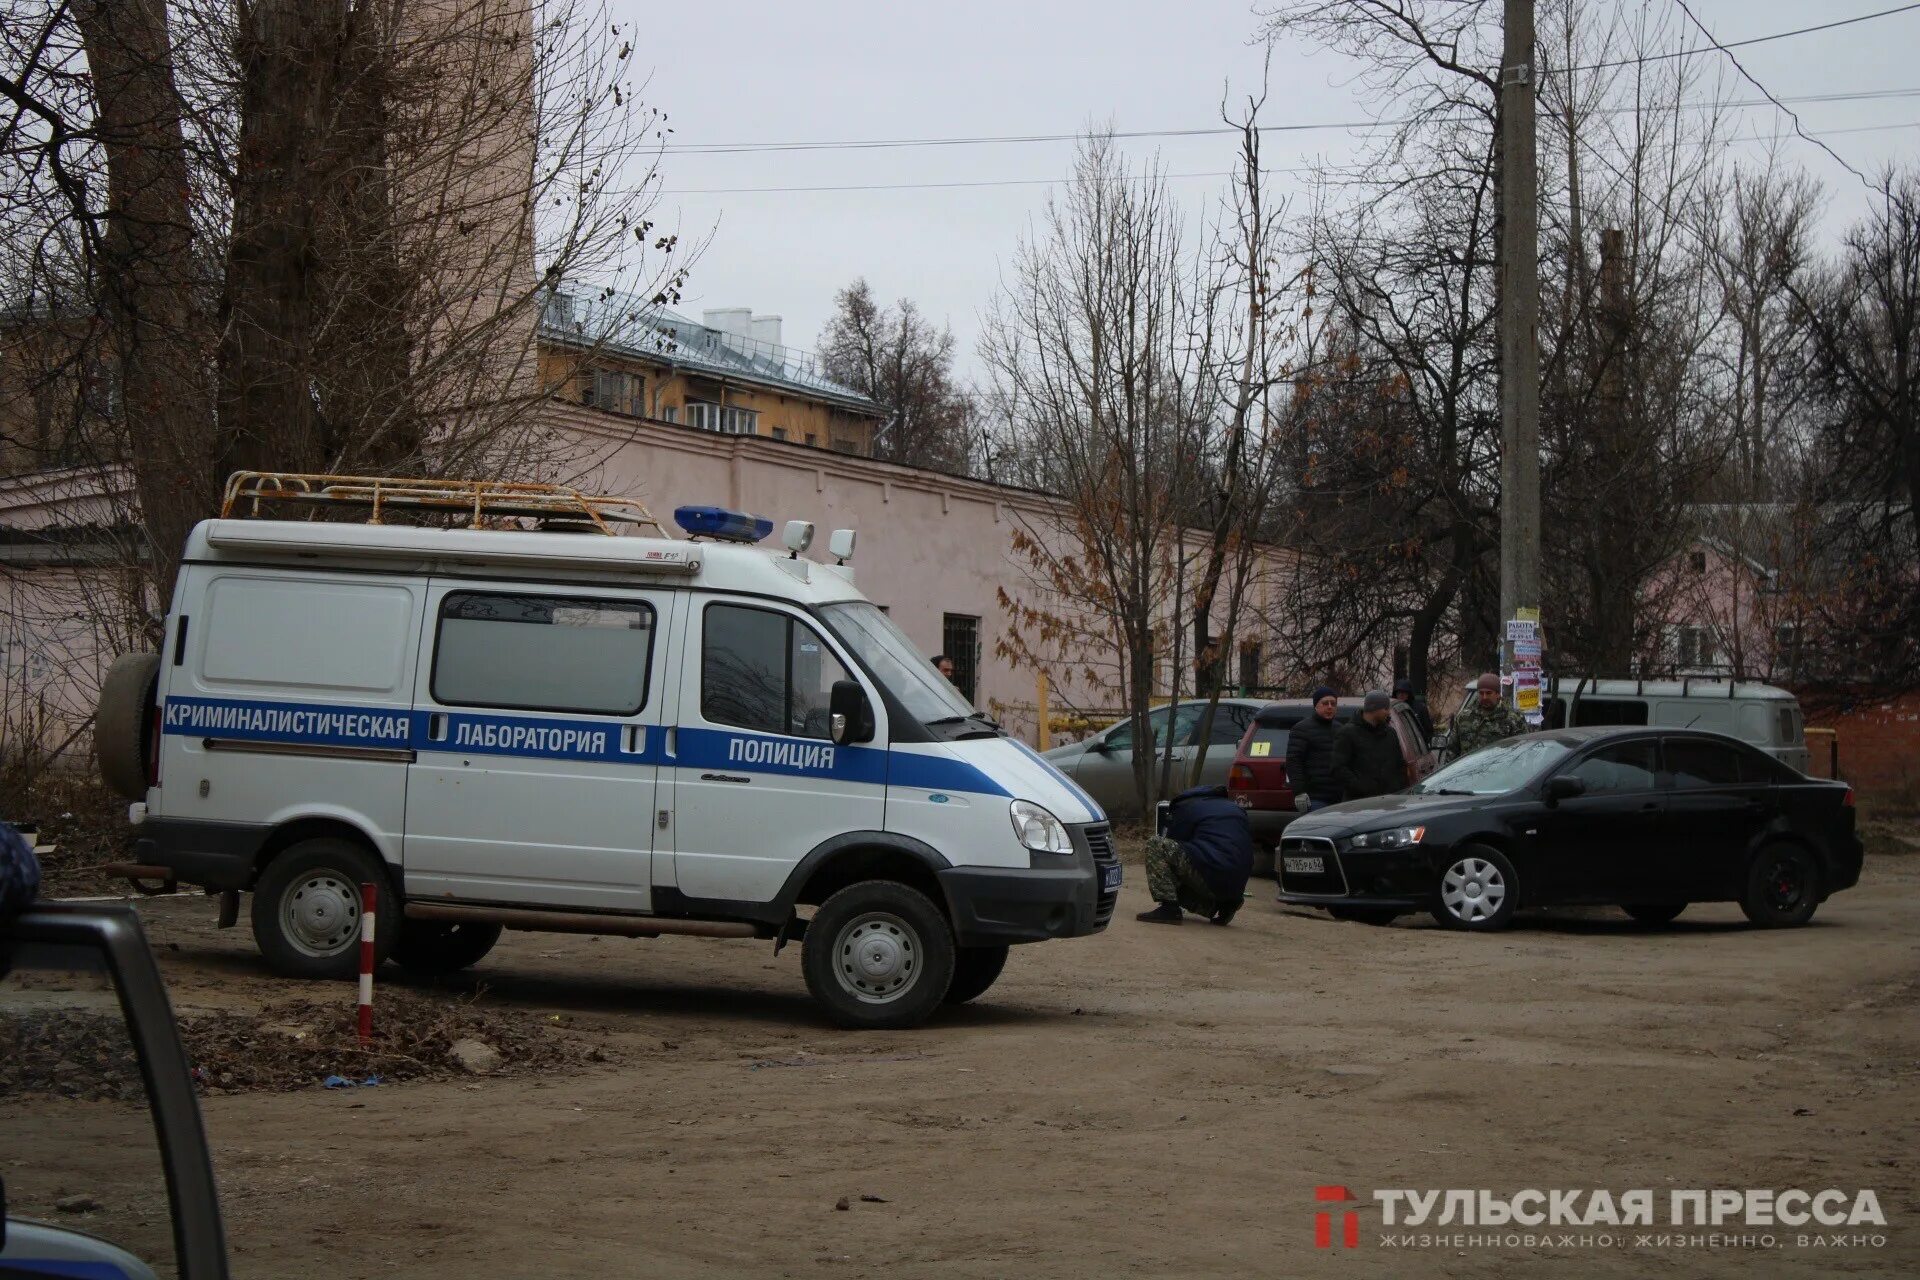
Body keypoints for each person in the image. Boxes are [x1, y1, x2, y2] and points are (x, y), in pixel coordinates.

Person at [1136, 784, 1255, 926]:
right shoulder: (1235, 809)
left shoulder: (1187, 806)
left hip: (1212, 872)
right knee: (1210, 860)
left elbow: (1173, 841)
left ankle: (1169, 909)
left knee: (1156, 845)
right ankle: (1225, 905)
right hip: (1237, 884)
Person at [1332, 690, 1409, 801]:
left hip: (1389, 802)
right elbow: (1338, 768)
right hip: (1359, 804)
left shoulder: (1390, 733)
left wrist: (1398, 788)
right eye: (1385, 709)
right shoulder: (1347, 733)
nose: (1388, 713)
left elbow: (1400, 765)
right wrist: (1361, 787)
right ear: (1374, 708)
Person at [1285, 685, 1342, 813]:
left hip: (1339, 797)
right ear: (1316, 705)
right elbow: (1294, 762)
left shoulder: (1340, 729)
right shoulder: (1302, 729)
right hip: (1315, 798)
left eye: (1333, 704)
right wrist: (1299, 792)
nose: (1329, 707)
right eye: (1325, 703)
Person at [1451, 672, 1529, 756]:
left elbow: (1522, 751)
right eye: (1481, 693)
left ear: (1498, 694)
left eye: (1488, 693)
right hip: (1469, 768)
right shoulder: (1464, 717)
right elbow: (1452, 751)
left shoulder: (1513, 718)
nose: (1484, 697)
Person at [1392, 678, 1434, 743]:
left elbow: (1428, 730)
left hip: (1416, 745)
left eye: (1404, 692)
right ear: (1396, 693)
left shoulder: (1420, 708)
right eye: (1399, 692)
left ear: (1409, 693)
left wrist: (1422, 743)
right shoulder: (1390, 708)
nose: (1401, 695)